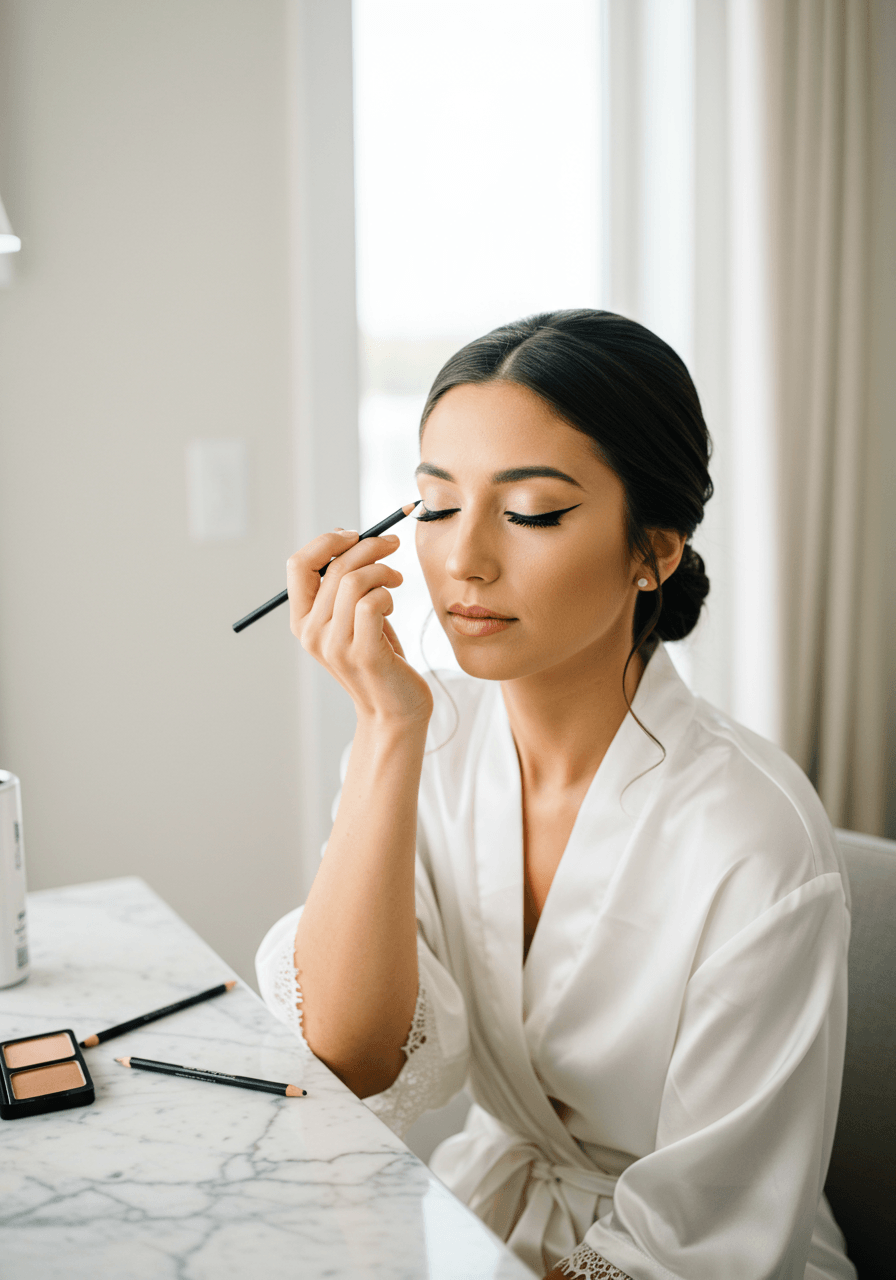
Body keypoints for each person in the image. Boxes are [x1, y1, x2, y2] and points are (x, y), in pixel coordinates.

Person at [256, 311, 856, 1280]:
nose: (463, 560)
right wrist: (385, 729)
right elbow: (351, 1056)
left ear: (652, 550)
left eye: (530, 510)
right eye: (436, 507)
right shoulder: (426, 742)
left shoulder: (751, 834)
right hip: (483, 1219)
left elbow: (710, 1235)